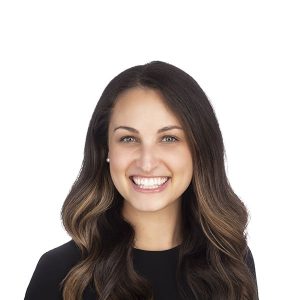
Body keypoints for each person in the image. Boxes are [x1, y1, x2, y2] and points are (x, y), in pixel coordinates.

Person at [24, 61, 259, 300]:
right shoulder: (60, 272)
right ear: (105, 148)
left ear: (199, 148)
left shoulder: (230, 265)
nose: (147, 163)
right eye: (128, 139)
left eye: (168, 138)